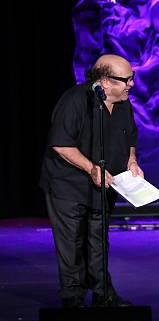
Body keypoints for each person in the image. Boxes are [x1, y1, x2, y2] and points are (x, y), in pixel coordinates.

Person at [40, 54, 143, 308]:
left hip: (105, 184)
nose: (131, 83)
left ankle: (103, 293)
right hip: (68, 184)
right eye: (126, 79)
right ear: (105, 82)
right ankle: (73, 298)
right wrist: (91, 168)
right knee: (72, 242)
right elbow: (61, 145)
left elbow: (130, 136)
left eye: (132, 78)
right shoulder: (75, 100)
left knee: (99, 239)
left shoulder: (123, 103)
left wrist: (132, 161)